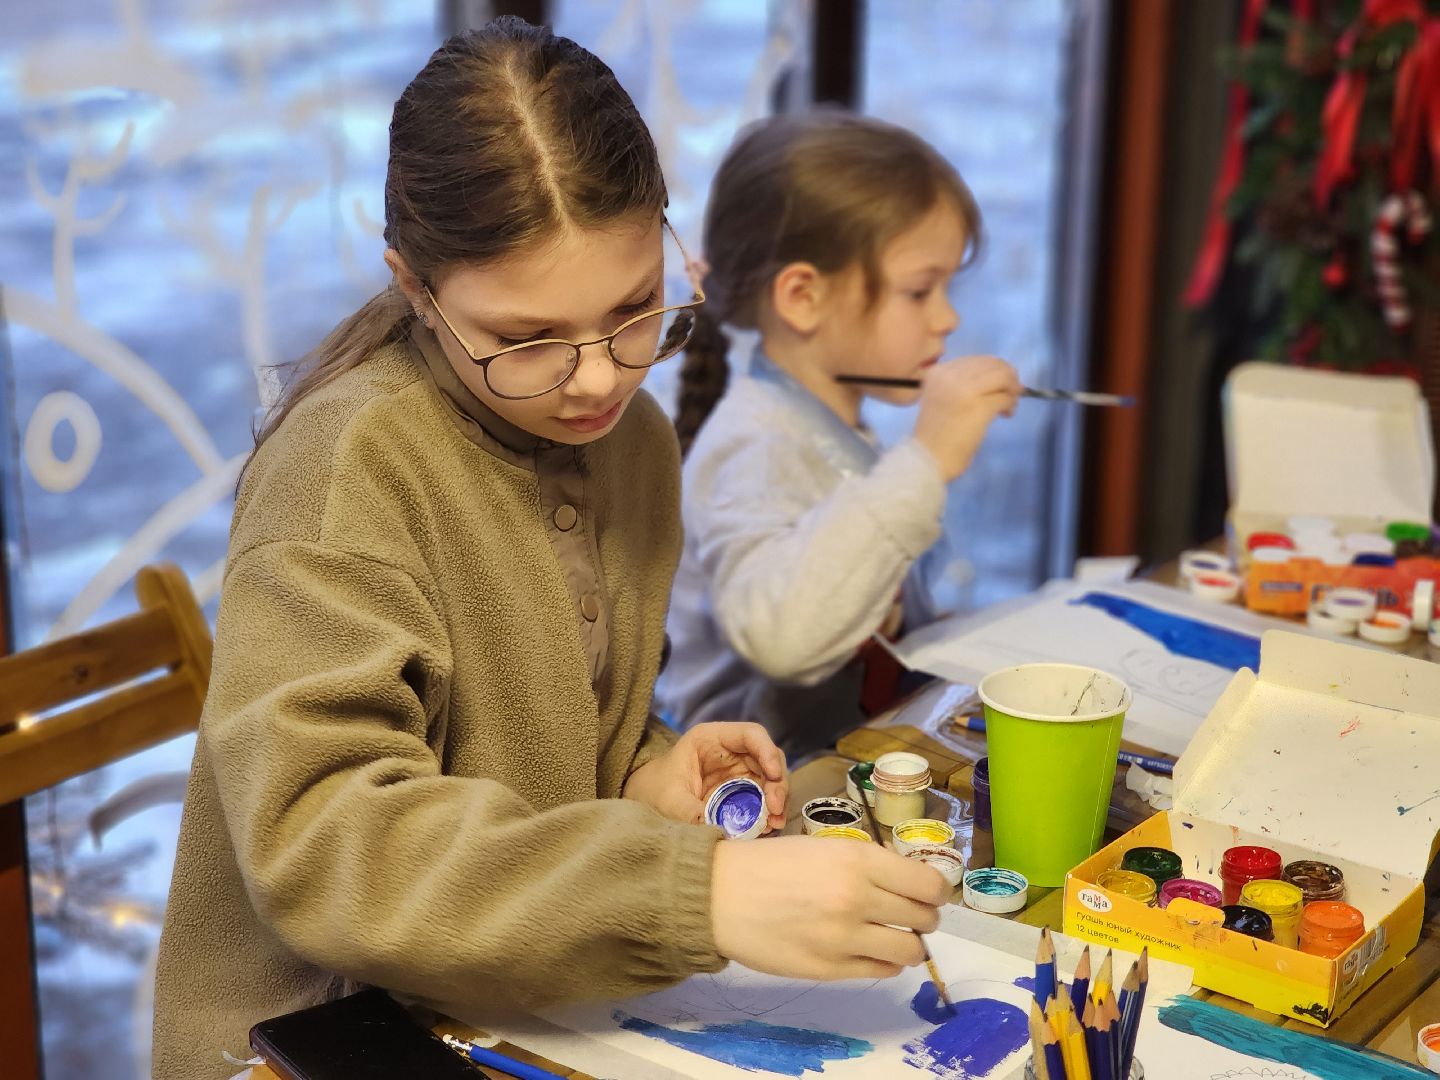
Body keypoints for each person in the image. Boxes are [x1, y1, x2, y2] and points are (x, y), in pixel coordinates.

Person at [152, 21, 948, 1078]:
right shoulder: (348, 473)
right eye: (527, 340)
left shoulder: (636, 445)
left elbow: (553, 724)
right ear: (416, 288)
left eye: (631, 314)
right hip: (316, 1040)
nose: (596, 381)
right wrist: (693, 890)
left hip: (529, 1004)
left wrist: (647, 769)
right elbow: (329, 844)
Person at [661, 112, 1021, 758]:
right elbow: (782, 638)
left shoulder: (827, 424)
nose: (948, 318)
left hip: (850, 759)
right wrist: (928, 458)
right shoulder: (755, 445)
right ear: (802, 296)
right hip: (758, 798)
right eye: (920, 292)